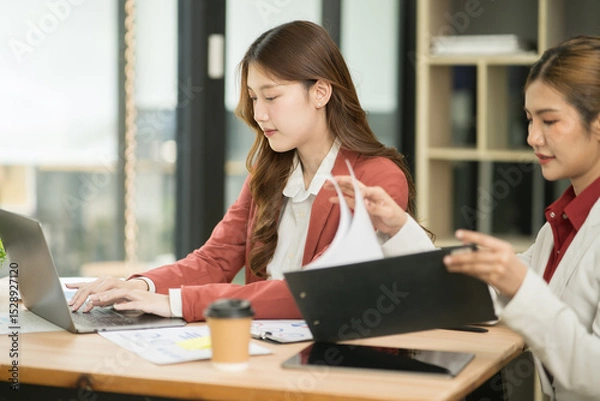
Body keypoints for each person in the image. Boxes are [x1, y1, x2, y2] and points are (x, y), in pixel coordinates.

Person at [68, 20, 433, 321]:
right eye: (254, 98)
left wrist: (176, 303)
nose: (258, 114)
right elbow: (215, 258)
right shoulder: (270, 171)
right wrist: (141, 286)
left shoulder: (377, 177)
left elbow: (314, 291)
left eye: (271, 97)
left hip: (326, 357)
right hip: (258, 344)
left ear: (320, 93)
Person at [334, 35, 600, 401]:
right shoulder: (564, 223)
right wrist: (398, 226)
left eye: (550, 121)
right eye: (528, 119)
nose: (532, 136)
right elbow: (480, 295)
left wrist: (522, 287)